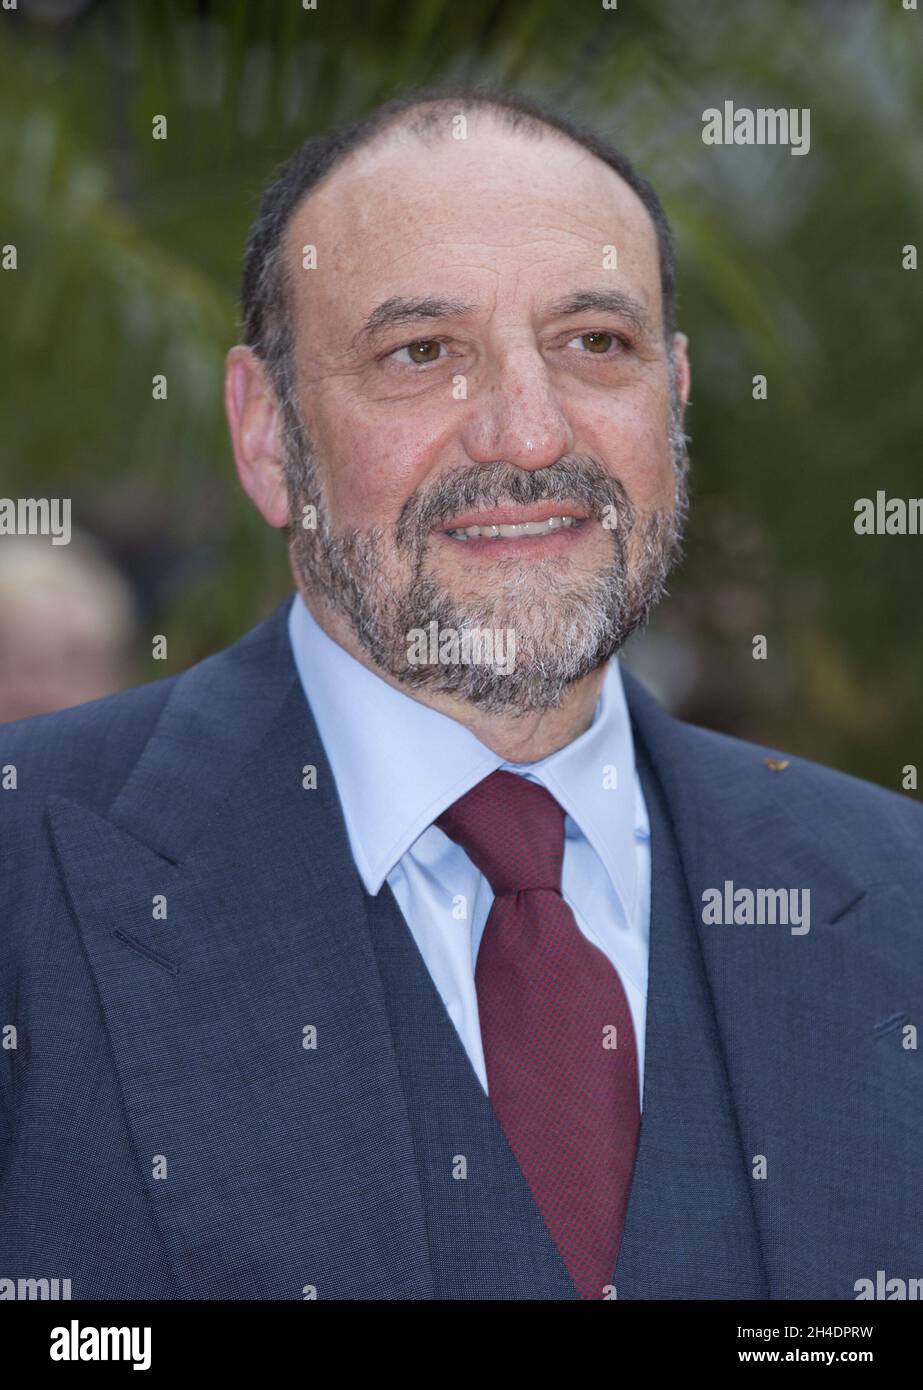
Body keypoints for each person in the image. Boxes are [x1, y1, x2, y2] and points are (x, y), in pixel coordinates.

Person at [1, 86, 920, 1302]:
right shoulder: (29, 880)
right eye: (420, 352)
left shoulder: (892, 895)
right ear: (268, 435)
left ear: (675, 395)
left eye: (595, 342)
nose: (528, 432)